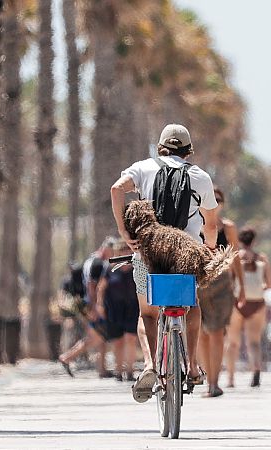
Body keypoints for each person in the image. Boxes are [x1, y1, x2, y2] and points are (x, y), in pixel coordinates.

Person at [111, 124, 219, 403]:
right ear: (188, 150)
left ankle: (149, 365)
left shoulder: (144, 168)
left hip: (148, 252)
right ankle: (192, 366)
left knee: (147, 313)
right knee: (191, 304)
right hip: (185, 254)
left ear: (160, 148)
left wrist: (125, 232)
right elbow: (211, 224)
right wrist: (207, 248)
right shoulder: (201, 177)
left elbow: (116, 189)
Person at [196, 188, 245, 398]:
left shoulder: (228, 227)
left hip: (222, 283)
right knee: (200, 334)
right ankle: (207, 378)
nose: (214, 203)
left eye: (217, 200)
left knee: (217, 333)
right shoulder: (194, 225)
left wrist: (241, 285)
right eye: (210, 200)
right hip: (198, 282)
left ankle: (214, 383)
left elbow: (235, 256)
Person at [226, 228, 271, 388]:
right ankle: (256, 369)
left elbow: (230, 281)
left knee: (233, 343)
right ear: (254, 241)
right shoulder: (262, 258)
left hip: (238, 302)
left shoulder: (235, 257)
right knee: (254, 342)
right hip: (257, 302)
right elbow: (269, 284)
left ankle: (230, 379)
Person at [58, 243, 111, 378]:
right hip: (91, 307)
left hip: (88, 306)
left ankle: (102, 369)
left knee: (100, 337)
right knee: (97, 337)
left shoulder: (90, 261)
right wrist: (94, 307)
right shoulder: (97, 263)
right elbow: (91, 286)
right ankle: (67, 357)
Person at [99, 241, 141, 382]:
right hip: (114, 309)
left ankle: (129, 370)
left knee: (130, 338)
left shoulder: (137, 267)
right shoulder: (110, 268)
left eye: (126, 250)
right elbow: (101, 287)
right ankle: (118, 369)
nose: (124, 253)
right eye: (121, 251)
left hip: (132, 307)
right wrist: (100, 305)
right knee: (117, 341)